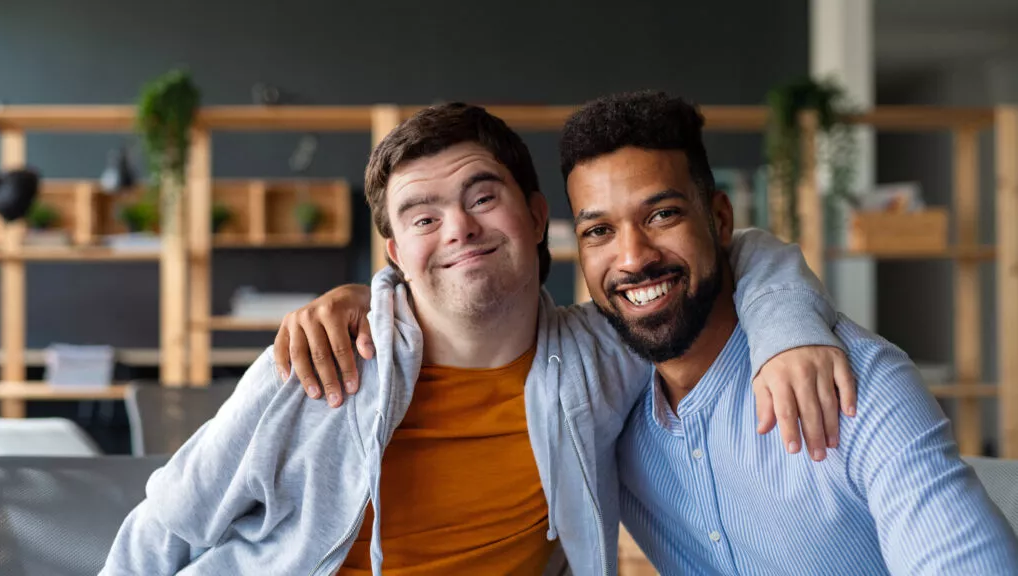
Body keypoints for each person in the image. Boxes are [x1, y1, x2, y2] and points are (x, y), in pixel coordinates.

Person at [102, 101, 852, 576]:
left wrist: (788, 334)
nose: (458, 228)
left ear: (536, 216)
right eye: (423, 216)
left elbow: (736, 251)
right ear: (396, 253)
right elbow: (165, 528)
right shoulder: (319, 362)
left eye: (482, 197)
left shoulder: (604, 357)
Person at [284, 92, 1018, 574]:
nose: (633, 257)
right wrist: (369, 297)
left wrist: (791, 326)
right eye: (600, 231)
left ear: (719, 220)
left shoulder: (856, 385)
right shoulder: (606, 391)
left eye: (662, 215)